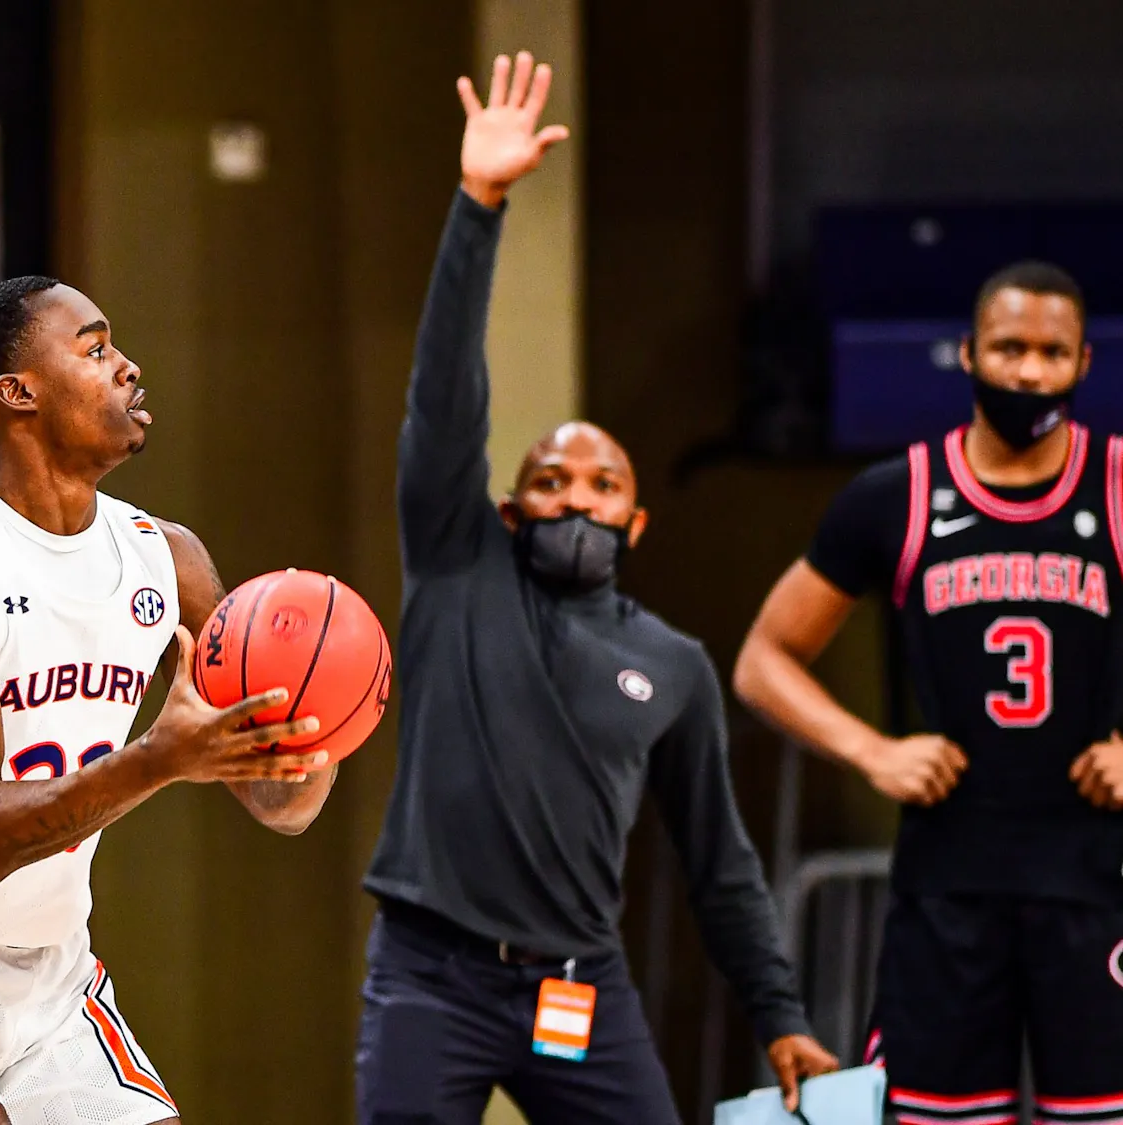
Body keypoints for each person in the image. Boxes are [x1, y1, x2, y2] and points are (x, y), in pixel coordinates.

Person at [357, 51, 837, 1125]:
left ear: (636, 518)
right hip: (432, 974)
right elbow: (444, 398)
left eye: (602, 483)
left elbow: (721, 864)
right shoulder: (457, 563)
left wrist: (780, 1013)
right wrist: (480, 204)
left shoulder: (670, 665)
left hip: (580, 984)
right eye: (550, 479)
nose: (576, 494)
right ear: (512, 508)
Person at [0, 275, 338, 1125]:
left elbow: (280, 805)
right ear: (18, 393)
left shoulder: (169, 559)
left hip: (52, 970)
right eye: (94, 347)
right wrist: (160, 757)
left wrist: (314, 733)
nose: (128, 366)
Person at [734, 261, 1123, 1122]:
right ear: (967, 355)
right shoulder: (898, 496)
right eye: (1009, 347)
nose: (1028, 370)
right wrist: (873, 749)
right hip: (949, 883)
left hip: (1098, 880)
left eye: (1051, 353)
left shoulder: (1120, 484)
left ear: (1084, 365)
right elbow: (765, 659)